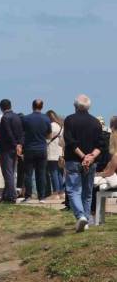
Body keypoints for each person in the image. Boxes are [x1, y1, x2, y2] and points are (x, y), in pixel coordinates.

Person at [63, 94, 105, 232]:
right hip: (92, 162)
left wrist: (83, 157)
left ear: (75, 106)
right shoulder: (95, 122)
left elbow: (70, 142)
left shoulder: (69, 120)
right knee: (87, 192)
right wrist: (91, 157)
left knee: (73, 190)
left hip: (74, 160)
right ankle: (86, 219)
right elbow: (101, 144)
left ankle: (81, 216)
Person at [19, 99, 52, 202]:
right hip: (42, 148)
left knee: (28, 174)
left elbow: (22, 133)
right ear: (42, 107)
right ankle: (41, 197)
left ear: (32, 106)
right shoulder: (46, 119)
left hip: (29, 148)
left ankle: (28, 196)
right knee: (41, 173)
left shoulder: (26, 118)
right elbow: (49, 135)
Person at [0, 99, 24, 203]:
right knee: (11, 171)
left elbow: (8, 133)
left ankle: (11, 196)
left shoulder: (5, 118)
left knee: (7, 172)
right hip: (15, 147)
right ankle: (5, 195)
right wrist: (19, 144)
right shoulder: (17, 116)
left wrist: (15, 145)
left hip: (7, 148)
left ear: (1, 107)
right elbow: (21, 133)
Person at [46, 110, 65, 199]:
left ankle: (56, 192)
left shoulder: (51, 126)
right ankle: (62, 191)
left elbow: (48, 138)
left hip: (52, 151)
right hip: (60, 151)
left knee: (53, 172)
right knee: (59, 173)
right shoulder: (61, 126)